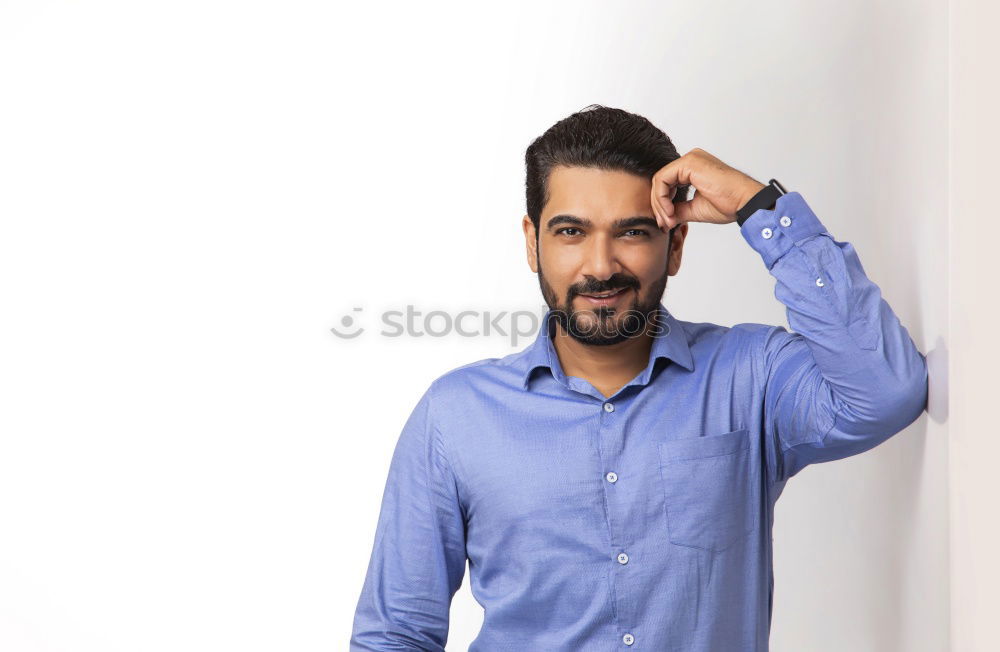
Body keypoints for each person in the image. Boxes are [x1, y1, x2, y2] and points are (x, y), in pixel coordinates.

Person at [349, 105, 928, 651]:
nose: (600, 266)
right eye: (571, 232)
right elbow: (395, 635)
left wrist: (759, 208)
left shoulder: (750, 379)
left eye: (631, 232)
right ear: (532, 242)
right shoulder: (454, 418)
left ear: (675, 245)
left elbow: (886, 392)